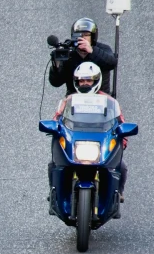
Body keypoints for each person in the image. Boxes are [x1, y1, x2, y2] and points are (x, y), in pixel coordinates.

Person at [51, 62, 128, 202]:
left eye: (88, 80)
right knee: (53, 163)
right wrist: (55, 130)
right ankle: (55, 194)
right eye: (81, 80)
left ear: (96, 81)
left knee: (121, 166)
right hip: (76, 142)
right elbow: (57, 120)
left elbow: (120, 123)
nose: (85, 83)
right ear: (76, 82)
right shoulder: (68, 101)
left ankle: (118, 194)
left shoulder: (110, 102)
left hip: (99, 142)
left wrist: (121, 142)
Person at [49, 17, 117, 96]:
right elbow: (56, 82)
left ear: (93, 37)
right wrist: (56, 66)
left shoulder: (103, 49)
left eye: (86, 35)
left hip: (101, 99)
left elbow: (112, 63)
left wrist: (92, 51)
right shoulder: (70, 53)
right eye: (79, 35)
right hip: (74, 100)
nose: (83, 38)